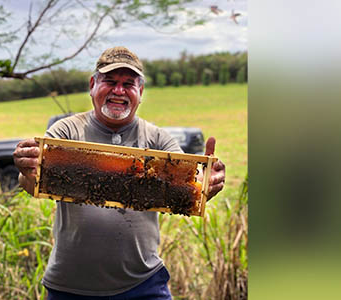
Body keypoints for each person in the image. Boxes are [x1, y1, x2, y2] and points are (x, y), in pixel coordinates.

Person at [13, 46, 226, 299]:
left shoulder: (158, 138)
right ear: (93, 84)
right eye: (110, 82)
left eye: (128, 84)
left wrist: (205, 186)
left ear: (140, 92)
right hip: (70, 286)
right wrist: (26, 168)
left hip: (144, 284)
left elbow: (188, 189)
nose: (118, 91)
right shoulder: (66, 131)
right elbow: (32, 181)